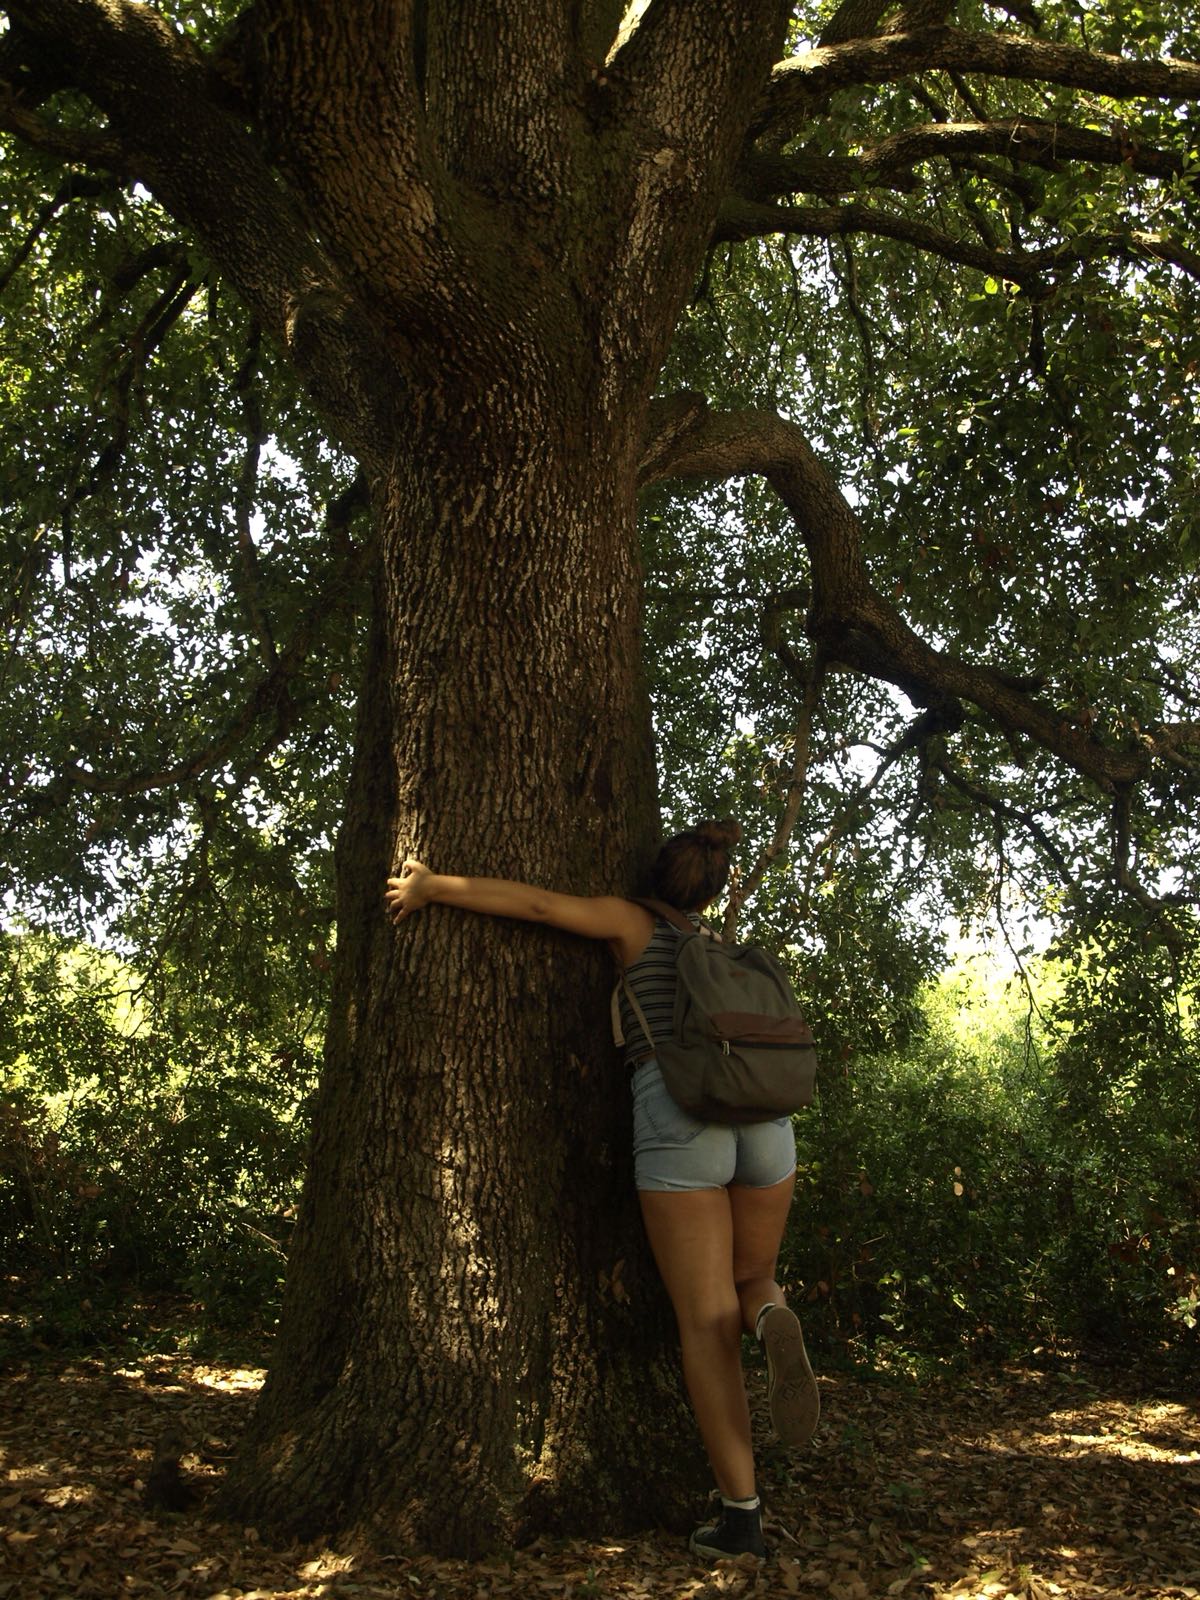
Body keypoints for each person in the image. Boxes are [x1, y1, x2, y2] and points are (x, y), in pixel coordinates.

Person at [383, 820, 819, 1561]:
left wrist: (432, 888)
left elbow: (541, 908)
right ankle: (775, 1315)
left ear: (654, 878)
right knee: (753, 1279)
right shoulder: (717, 949)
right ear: (710, 889)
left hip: (682, 1116)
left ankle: (741, 1514)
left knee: (705, 1322)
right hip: (767, 1124)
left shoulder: (632, 922)